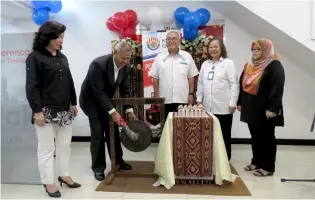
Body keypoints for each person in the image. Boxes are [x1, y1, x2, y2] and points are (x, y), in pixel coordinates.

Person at [25, 21, 81, 198]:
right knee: (47, 149)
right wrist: (37, 111)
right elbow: (31, 86)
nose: (61, 40)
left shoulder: (62, 57)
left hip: (65, 110)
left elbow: (69, 82)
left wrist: (73, 103)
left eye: (62, 36)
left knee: (65, 146)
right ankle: (48, 182)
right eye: (58, 37)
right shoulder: (34, 57)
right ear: (47, 38)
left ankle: (64, 175)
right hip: (46, 112)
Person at [79, 41, 137, 181]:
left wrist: (128, 109)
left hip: (106, 101)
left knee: (113, 132)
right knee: (98, 133)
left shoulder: (126, 67)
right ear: (114, 53)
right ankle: (98, 168)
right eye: (123, 58)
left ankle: (118, 161)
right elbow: (98, 92)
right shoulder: (98, 65)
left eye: (128, 58)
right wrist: (113, 111)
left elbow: (124, 89)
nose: (125, 61)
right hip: (91, 102)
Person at [237, 38, 285, 177]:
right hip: (251, 107)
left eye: (258, 49)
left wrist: (273, 108)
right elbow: (242, 84)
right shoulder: (249, 65)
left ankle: (268, 166)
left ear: (266, 50)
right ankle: (256, 161)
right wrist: (240, 102)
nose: (255, 51)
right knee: (255, 136)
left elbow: (277, 88)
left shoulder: (274, 65)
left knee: (267, 137)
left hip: (266, 109)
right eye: (253, 49)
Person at [196, 37, 239, 161]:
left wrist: (233, 103)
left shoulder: (228, 63)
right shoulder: (205, 64)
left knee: (224, 135)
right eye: (210, 47)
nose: (213, 49)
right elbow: (200, 83)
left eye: (216, 47)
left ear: (221, 48)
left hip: (224, 108)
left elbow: (234, 84)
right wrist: (199, 100)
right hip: (207, 108)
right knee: (209, 136)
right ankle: (211, 160)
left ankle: (225, 161)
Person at [149, 30, 199, 120]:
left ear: (179, 41)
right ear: (166, 41)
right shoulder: (159, 57)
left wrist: (191, 94)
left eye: (174, 38)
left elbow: (191, 77)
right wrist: (156, 96)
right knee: (166, 127)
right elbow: (155, 78)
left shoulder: (187, 56)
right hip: (165, 100)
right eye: (168, 39)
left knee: (182, 127)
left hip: (182, 99)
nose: (171, 41)